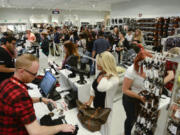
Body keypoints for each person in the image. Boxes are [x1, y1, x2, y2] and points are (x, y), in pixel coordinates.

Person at [0, 54, 75, 135]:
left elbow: (18, 103)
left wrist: (40, 99)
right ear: (21, 71)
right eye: (34, 74)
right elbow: (36, 132)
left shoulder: (6, 82)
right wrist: (61, 127)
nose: (35, 77)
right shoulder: (20, 96)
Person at [122, 50, 175, 135]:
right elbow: (125, 90)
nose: (150, 66)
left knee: (141, 118)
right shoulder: (131, 71)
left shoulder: (150, 69)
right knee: (131, 118)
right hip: (131, 98)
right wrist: (139, 97)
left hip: (144, 97)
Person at [85, 51, 119, 135]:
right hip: (97, 106)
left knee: (105, 130)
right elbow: (93, 87)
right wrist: (90, 101)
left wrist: (106, 76)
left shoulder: (114, 78)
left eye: (99, 63)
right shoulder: (101, 73)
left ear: (106, 64)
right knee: (97, 129)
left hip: (105, 110)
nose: (97, 64)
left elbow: (100, 88)